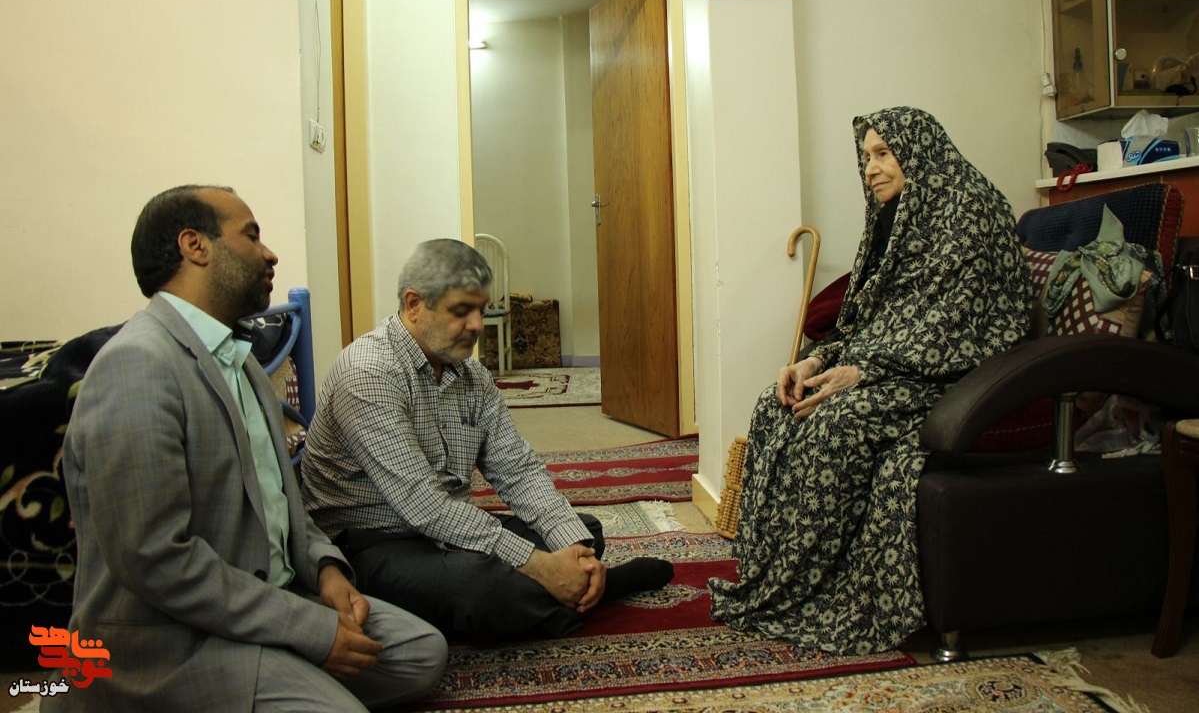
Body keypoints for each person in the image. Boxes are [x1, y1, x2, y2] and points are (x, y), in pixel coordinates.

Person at [49, 186, 447, 711]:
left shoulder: (242, 363)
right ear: (195, 245)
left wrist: (326, 569)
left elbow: (280, 504)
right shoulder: (138, 365)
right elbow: (155, 558)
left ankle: (287, 670)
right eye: (252, 236)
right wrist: (305, 628)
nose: (269, 253)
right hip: (173, 640)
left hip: (265, 598)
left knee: (420, 654)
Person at [708, 107, 1031, 655]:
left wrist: (863, 373)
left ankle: (813, 593)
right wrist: (815, 362)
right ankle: (773, 574)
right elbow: (866, 320)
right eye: (866, 157)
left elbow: (955, 328)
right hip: (891, 365)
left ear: (919, 152)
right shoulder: (896, 220)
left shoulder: (971, 213)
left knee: (837, 422)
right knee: (775, 404)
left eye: (884, 154)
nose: (871, 169)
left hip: (954, 378)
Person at [301, 239, 673, 639]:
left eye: (481, 309)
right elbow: (424, 507)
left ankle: (565, 588)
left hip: (446, 533)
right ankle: (587, 592)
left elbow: (518, 470)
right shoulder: (368, 373)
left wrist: (573, 549)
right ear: (414, 305)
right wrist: (541, 566)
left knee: (583, 531)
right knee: (479, 586)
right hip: (371, 544)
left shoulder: (472, 375)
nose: (478, 325)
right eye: (462, 311)